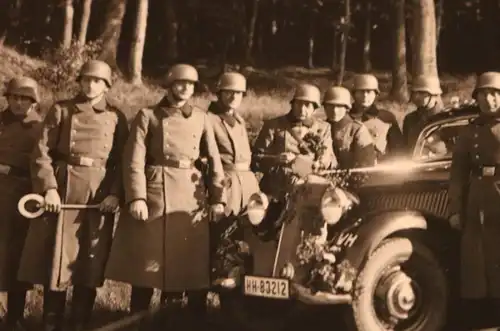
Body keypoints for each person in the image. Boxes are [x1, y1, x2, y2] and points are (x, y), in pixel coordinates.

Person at [104, 64, 227, 330]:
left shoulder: (202, 118)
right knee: (145, 261)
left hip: (190, 194)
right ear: (169, 85)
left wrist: (218, 197)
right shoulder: (148, 116)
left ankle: (173, 319)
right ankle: (137, 318)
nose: (185, 89)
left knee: (182, 260)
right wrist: (137, 197)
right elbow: (133, 160)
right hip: (155, 191)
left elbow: (215, 161)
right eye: (180, 83)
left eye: (191, 85)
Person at [17, 60, 129, 331]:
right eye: (86, 80)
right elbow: (41, 153)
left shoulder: (117, 116)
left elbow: (123, 160)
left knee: (91, 257)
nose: (90, 85)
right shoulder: (62, 110)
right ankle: (51, 321)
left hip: (98, 194)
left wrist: (115, 194)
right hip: (65, 187)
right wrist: (50, 189)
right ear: (79, 82)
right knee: (59, 256)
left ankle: (81, 322)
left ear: (106, 85)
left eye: (97, 81)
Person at [448, 71, 500, 325]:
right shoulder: (471, 130)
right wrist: (455, 208)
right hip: (477, 197)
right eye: (484, 94)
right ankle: (482, 315)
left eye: (495, 94)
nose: (489, 100)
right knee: (477, 258)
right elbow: (458, 170)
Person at [206, 72, 260, 284]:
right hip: (224, 182)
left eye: (238, 93)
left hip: (246, 184)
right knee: (220, 234)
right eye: (229, 92)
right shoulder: (208, 119)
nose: (234, 96)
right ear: (219, 93)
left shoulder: (239, 120)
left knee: (244, 235)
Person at [0, 77, 42, 330]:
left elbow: (44, 160)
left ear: (33, 101)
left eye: (25, 98)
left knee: (16, 256)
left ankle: (15, 315)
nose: (18, 103)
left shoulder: (40, 126)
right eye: (14, 97)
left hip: (20, 197)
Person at [252, 83, 337, 199]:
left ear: (315, 108)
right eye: (299, 104)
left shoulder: (323, 128)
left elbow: (329, 156)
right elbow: (256, 158)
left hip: (311, 187)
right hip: (277, 187)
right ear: (292, 104)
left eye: (307, 105)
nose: (302, 109)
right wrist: (276, 159)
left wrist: (319, 163)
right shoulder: (274, 125)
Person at [350, 73, 404, 159]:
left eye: (369, 92)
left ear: (376, 94)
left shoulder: (386, 117)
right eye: (361, 91)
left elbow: (398, 148)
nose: (365, 95)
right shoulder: (345, 118)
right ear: (354, 94)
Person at [323, 85, 376, 168]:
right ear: (325, 107)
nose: (335, 110)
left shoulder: (357, 130)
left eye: (339, 106)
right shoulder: (321, 128)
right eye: (331, 106)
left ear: (346, 108)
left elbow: (367, 163)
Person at [402, 75, 444, 153]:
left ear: (434, 94)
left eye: (422, 93)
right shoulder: (410, 119)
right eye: (414, 93)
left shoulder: (445, 119)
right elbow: (405, 149)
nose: (416, 96)